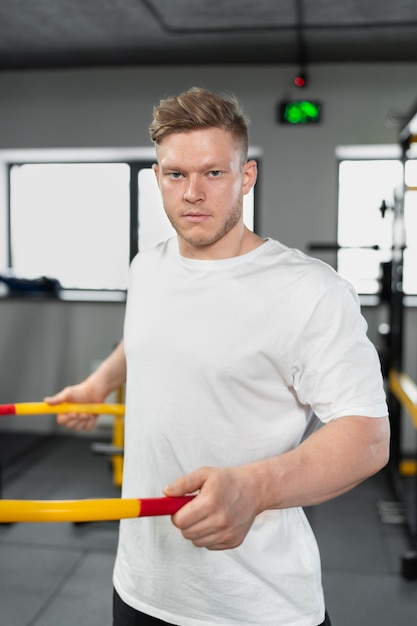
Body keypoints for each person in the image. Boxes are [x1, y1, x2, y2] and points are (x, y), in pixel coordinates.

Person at [45, 86, 390, 626]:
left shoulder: (311, 291)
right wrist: (98, 384)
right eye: (176, 174)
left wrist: (256, 488)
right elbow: (148, 338)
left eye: (214, 173)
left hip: (255, 605)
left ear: (246, 176)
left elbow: (367, 437)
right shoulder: (149, 266)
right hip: (140, 587)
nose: (192, 193)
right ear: (158, 177)